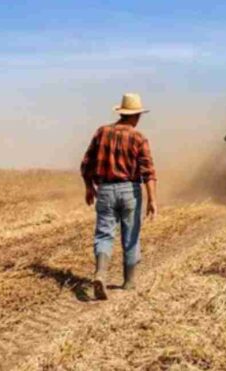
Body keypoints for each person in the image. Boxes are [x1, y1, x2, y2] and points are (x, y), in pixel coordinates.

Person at [80, 93, 158, 300]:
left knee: (104, 234)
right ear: (136, 116)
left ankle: (100, 274)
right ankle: (129, 282)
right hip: (130, 190)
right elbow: (148, 172)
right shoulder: (138, 138)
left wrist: (89, 187)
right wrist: (152, 200)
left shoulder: (102, 132)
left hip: (105, 190)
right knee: (130, 236)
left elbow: (86, 164)